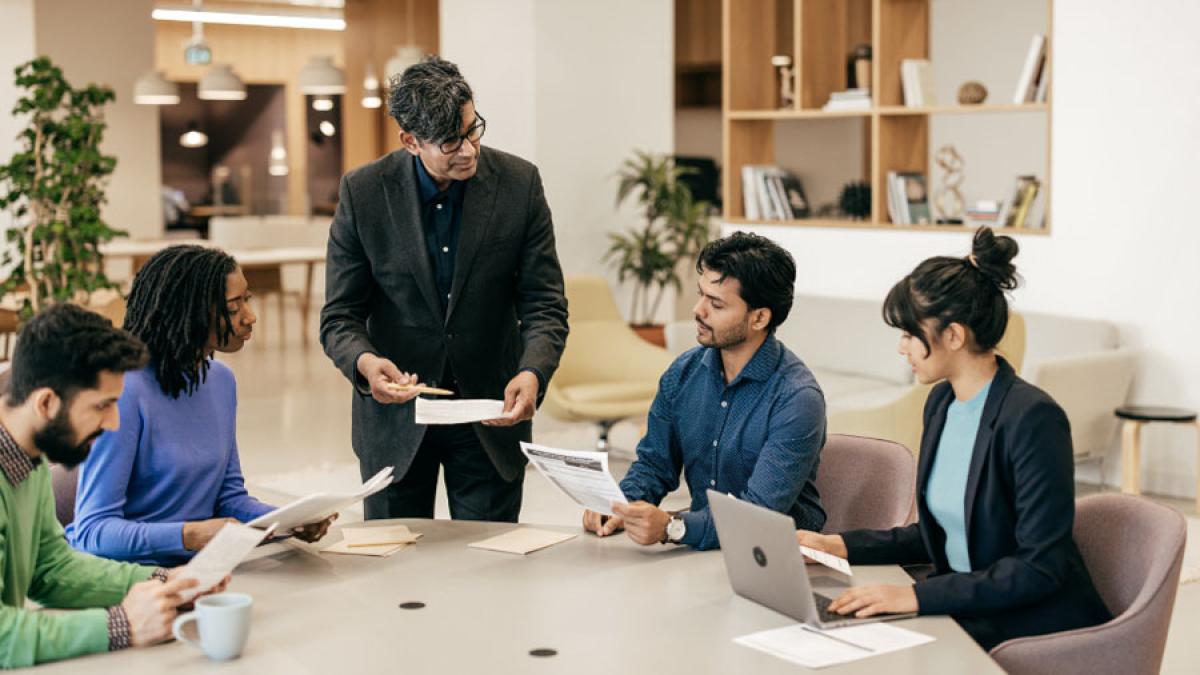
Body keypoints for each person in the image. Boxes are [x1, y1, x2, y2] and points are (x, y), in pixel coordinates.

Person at [796, 228, 1112, 650]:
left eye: (909, 334)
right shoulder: (942, 402)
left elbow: (1041, 567)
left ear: (954, 336)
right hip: (965, 606)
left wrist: (915, 595)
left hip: (1029, 627)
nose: (901, 348)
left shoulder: (1033, 418)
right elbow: (943, 530)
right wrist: (838, 544)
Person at [320, 56, 568, 522]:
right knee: (394, 572)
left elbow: (545, 304)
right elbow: (340, 316)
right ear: (410, 141)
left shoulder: (519, 184)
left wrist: (533, 371)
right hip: (395, 420)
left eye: (474, 130)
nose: (469, 150)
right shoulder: (364, 192)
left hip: (490, 417)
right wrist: (366, 364)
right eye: (450, 141)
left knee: (490, 571)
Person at [68, 246, 332, 566]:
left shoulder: (220, 381)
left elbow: (229, 499)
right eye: (234, 307)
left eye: (247, 300)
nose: (251, 316)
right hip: (132, 577)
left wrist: (288, 518)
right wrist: (189, 535)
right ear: (189, 311)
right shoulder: (122, 391)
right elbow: (92, 531)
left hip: (204, 567)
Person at [0, 303, 219, 667]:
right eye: (102, 405)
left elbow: (50, 569)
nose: (114, 422)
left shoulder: (29, 455)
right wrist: (122, 625)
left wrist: (165, 581)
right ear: (46, 402)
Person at [582, 232, 827, 550]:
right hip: (702, 550)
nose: (698, 310)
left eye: (716, 304)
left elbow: (758, 516)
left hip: (778, 559)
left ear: (759, 318)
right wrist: (620, 506)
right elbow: (655, 464)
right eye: (701, 295)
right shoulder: (683, 373)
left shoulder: (797, 399)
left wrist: (674, 528)